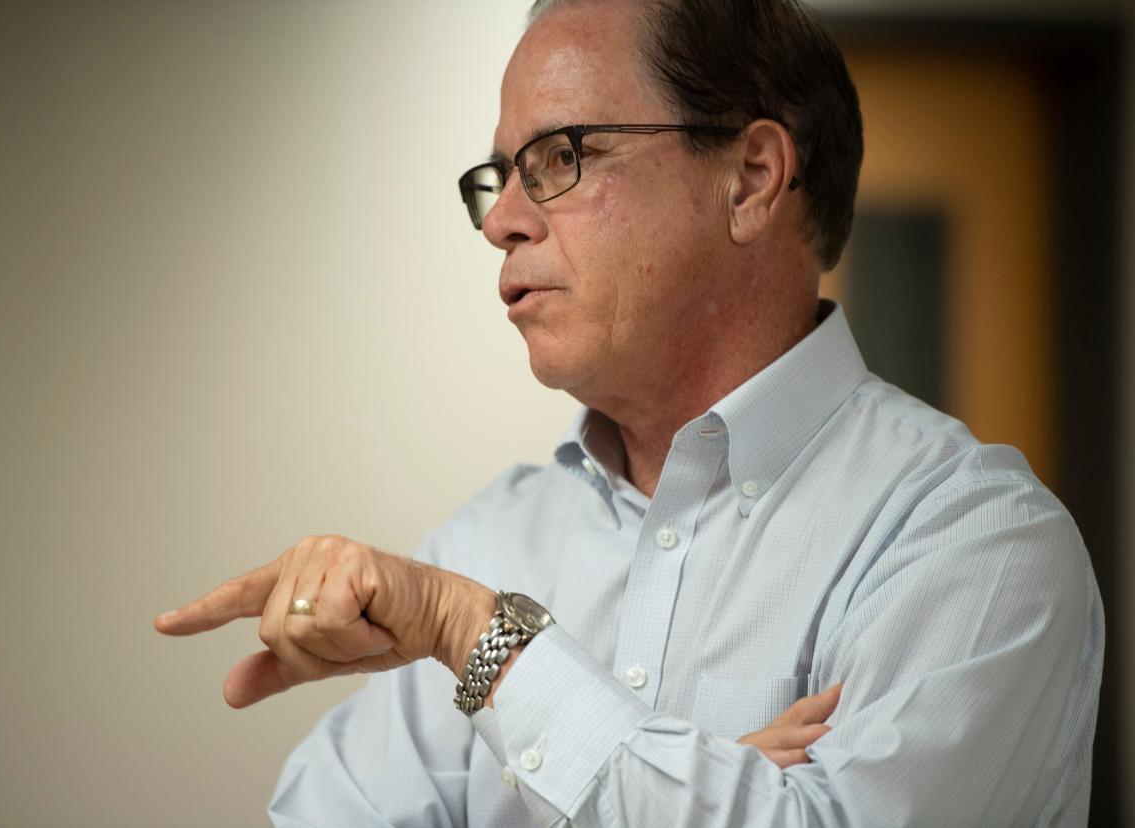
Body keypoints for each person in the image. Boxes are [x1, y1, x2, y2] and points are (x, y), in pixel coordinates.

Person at [155, 0, 1104, 824]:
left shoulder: (974, 544)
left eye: (562, 155)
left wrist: (481, 641)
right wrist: (711, 786)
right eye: (499, 176)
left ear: (751, 179)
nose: (501, 222)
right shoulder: (486, 540)